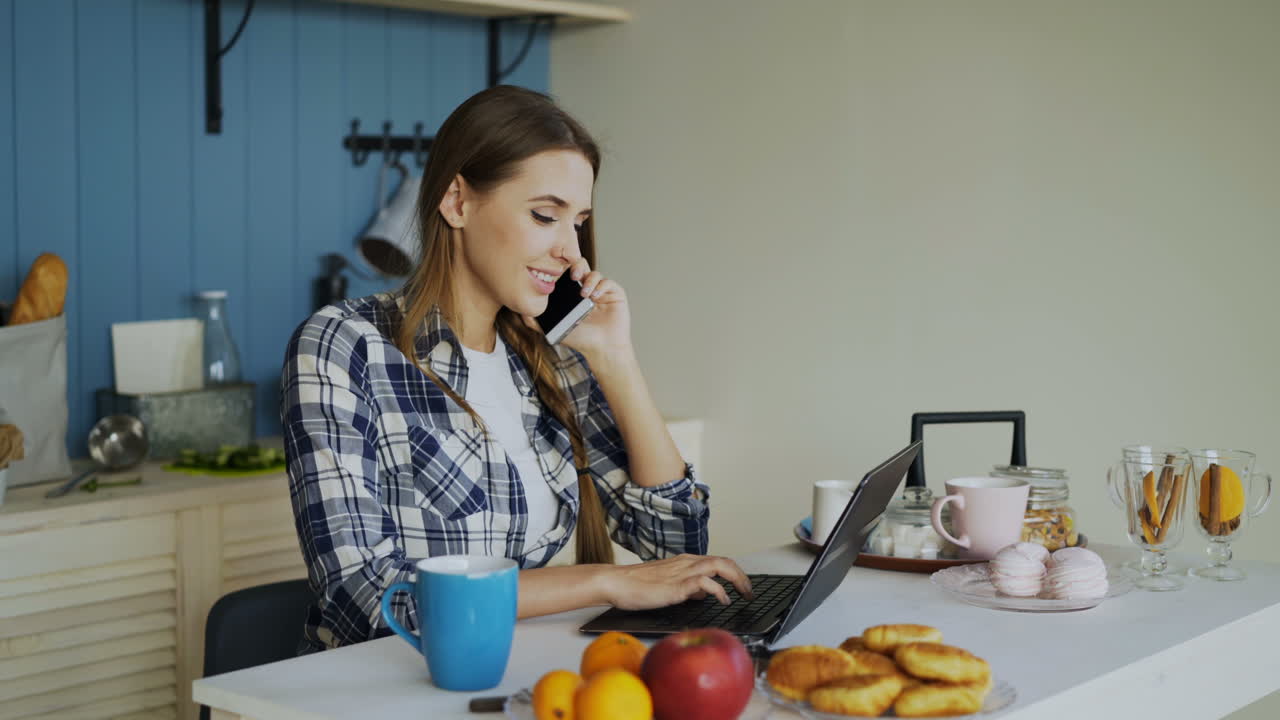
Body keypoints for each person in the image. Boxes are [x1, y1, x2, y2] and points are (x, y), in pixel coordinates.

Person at [281, 85, 752, 653]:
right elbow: (365, 600)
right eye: (545, 216)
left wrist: (616, 359)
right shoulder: (346, 344)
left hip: (516, 675)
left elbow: (673, 543)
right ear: (457, 202)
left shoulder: (551, 356)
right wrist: (602, 581)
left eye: (578, 222)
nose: (570, 252)